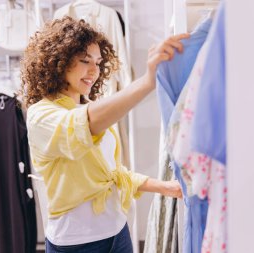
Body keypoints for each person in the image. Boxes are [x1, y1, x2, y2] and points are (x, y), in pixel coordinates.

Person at [20, 16, 189, 253]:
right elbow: (81, 125)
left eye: (98, 63)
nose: (94, 71)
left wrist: (165, 187)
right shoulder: (41, 116)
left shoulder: (86, 106)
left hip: (118, 233)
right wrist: (148, 81)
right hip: (76, 244)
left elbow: (111, 174)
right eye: (84, 60)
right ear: (58, 61)